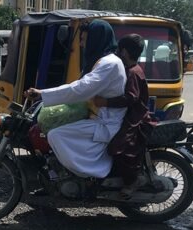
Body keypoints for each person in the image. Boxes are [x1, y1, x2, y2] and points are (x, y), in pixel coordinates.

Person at [24, 19, 126, 179]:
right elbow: (80, 86)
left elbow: (81, 88)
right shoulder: (100, 61)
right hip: (96, 117)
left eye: (84, 40)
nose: (81, 44)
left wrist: (42, 93)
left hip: (106, 123)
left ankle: (85, 175)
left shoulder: (110, 64)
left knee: (56, 135)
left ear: (96, 40)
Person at [92, 34, 154, 198]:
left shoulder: (133, 72)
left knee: (118, 147)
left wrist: (105, 102)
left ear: (124, 51)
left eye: (119, 50)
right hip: (129, 115)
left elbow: (130, 98)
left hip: (135, 118)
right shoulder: (131, 69)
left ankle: (131, 181)